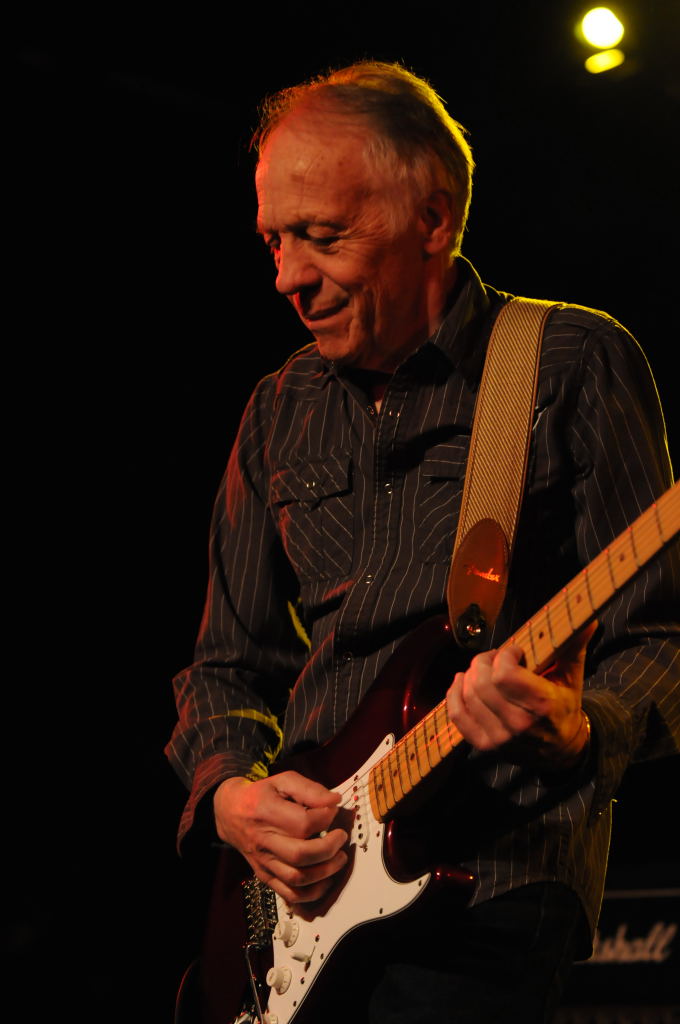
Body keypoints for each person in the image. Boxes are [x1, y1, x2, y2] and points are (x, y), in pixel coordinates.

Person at [166, 62, 679, 1023]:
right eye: (275, 239)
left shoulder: (567, 362)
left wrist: (581, 727)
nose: (287, 278)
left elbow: (664, 639)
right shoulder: (278, 407)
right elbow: (225, 666)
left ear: (433, 220)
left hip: (493, 884)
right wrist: (233, 796)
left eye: (323, 236)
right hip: (294, 913)